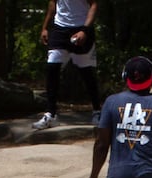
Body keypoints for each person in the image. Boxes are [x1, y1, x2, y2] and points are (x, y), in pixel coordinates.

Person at [33, 0, 102, 130]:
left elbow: (94, 4)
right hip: (60, 28)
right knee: (52, 68)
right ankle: (50, 114)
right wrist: (45, 27)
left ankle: (97, 110)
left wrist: (85, 30)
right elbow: (52, 4)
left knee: (86, 72)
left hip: (81, 28)